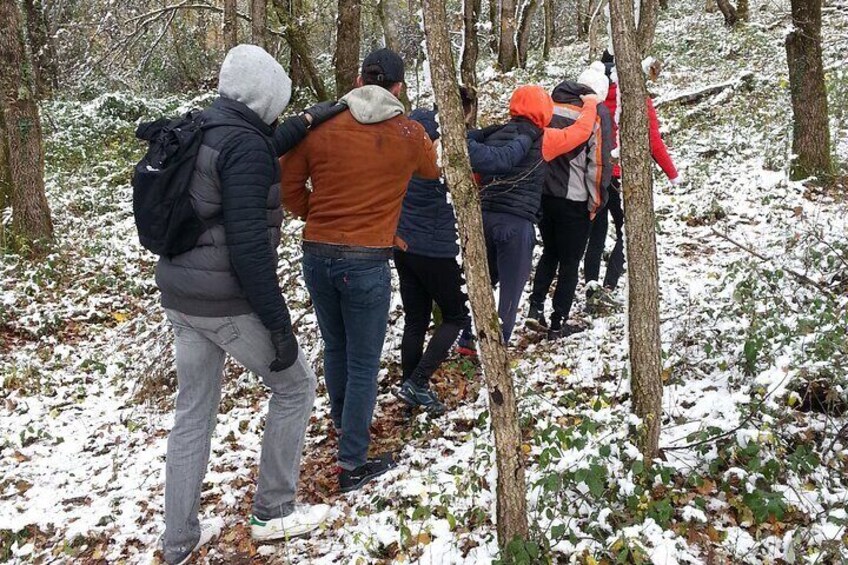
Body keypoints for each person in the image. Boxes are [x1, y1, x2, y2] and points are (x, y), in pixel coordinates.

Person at [156, 45, 342, 564]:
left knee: (193, 413)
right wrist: (280, 328)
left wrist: (307, 120)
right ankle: (274, 510)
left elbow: (257, 147)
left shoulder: (206, 126)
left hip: (180, 295)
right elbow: (250, 252)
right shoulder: (246, 149)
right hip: (224, 304)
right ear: (263, 99)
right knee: (296, 384)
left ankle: (177, 542)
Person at [280, 48, 439, 492]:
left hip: (317, 253)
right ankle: (352, 462)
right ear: (399, 88)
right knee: (365, 361)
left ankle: (343, 422)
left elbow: (287, 182)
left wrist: (318, 215)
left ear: (357, 79)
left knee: (336, 348)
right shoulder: (409, 134)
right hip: (367, 260)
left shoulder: (322, 126)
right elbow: (431, 170)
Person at [394, 89, 535, 415]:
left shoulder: (413, 130)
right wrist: (526, 133)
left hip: (402, 242)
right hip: (438, 247)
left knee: (415, 319)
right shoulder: (455, 146)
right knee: (457, 315)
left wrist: (486, 130)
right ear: (465, 112)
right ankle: (417, 381)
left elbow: (471, 136)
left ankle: (408, 392)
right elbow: (501, 160)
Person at [469, 85, 599, 344]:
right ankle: (497, 345)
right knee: (510, 291)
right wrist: (592, 104)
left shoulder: (494, 134)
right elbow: (581, 132)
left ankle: (467, 339)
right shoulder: (544, 139)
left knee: (481, 282)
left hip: (483, 219)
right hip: (516, 224)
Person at [583, 50, 680, 309]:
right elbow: (654, 142)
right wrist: (672, 174)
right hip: (623, 177)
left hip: (595, 174)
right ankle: (609, 285)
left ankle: (590, 287)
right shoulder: (637, 100)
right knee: (626, 233)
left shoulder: (594, 101)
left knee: (596, 233)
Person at [527, 62, 614, 338]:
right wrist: (597, 203)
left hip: (543, 194)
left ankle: (535, 308)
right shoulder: (597, 113)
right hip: (574, 199)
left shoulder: (552, 104)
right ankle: (558, 321)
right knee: (569, 261)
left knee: (550, 252)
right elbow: (598, 164)